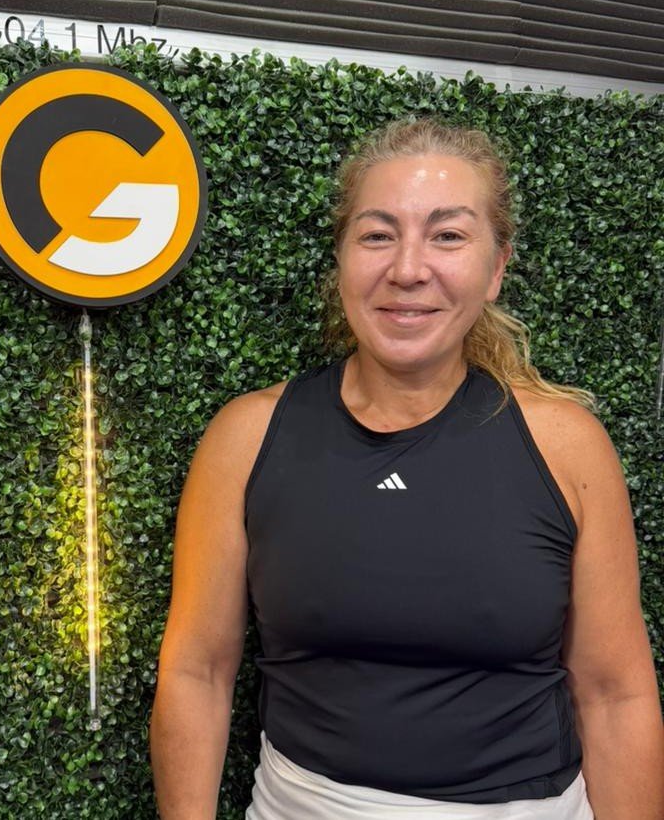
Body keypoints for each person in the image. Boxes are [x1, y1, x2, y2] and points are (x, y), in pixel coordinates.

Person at [149, 118, 664, 819]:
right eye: (377, 235)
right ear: (341, 259)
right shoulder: (246, 437)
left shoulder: (568, 447)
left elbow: (614, 695)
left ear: (496, 268)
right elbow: (198, 672)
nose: (408, 269)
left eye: (447, 235)